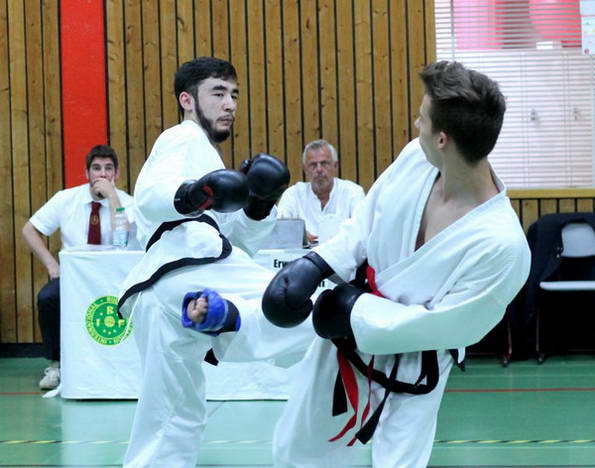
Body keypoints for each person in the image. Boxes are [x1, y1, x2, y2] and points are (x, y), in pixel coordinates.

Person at [262, 61, 532, 467]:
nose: (414, 123)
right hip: (346, 330)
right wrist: (318, 263)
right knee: (297, 448)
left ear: (442, 138)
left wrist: (358, 314)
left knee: (398, 463)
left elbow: (451, 325)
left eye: (421, 118)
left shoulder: (502, 245)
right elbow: (368, 217)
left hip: (414, 360)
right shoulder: (416, 159)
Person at [117, 56, 314, 468]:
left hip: (164, 289)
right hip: (186, 268)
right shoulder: (182, 138)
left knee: (172, 416)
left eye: (235, 95)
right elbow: (150, 194)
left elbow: (234, 241)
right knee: (313, 308)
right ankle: (223, 317)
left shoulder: (206, 158)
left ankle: (216, 315)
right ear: (187, 100)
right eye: (219, 93)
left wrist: (259, 205)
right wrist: (192, 193)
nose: (230, 105)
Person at [22, 145, 134, 390]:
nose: (102, 175)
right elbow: (30, 230)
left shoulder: (127, 203)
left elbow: (121, 242)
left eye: (108, 169)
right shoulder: (66, 199)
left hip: (114, 278)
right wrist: (52, 265)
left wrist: (113, 198)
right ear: (86, 173)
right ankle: (56, 365)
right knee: (48, 298)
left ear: (116, 173)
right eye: (96, 168)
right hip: (75, 278)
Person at [276, 139, 365, 244]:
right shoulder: (293, 195)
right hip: (303, 258)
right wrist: (299, 236)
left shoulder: (353, 192)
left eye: (324, 163)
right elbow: (280, 231)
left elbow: (362, 230)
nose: (319, 169)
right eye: (313, 165)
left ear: (335, 166)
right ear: (305, 169)